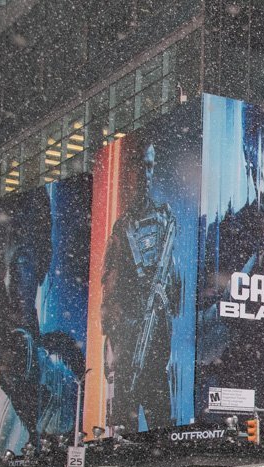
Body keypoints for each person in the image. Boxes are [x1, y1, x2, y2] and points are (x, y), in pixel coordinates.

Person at [101, 141, 181, 431]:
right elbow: (109, 290)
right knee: (124, 425)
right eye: (140, 167)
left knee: (162, 425)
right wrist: (122, 329)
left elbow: (175, 284)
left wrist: (163, 301)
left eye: (150, 166)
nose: (146, 174)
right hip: (129, 345)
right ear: (129, 172)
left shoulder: (165, 218)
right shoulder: (122, 228)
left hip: (157, 344)